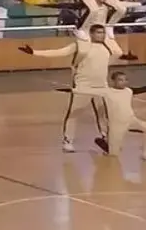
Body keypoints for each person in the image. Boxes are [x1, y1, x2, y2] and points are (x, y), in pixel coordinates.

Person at [20, 25, 136, 153]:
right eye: (98, 32)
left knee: (103, 113)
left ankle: (107, 138)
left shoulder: (107, 46)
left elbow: (113, 57)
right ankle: (68, 141)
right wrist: (34, 52)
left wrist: (127, 57)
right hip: (83, 85)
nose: (102, 35)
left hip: (101, 86)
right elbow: (60, 52)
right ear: (91, 34)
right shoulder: (81, 46)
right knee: (75, 113)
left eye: (103, 33)